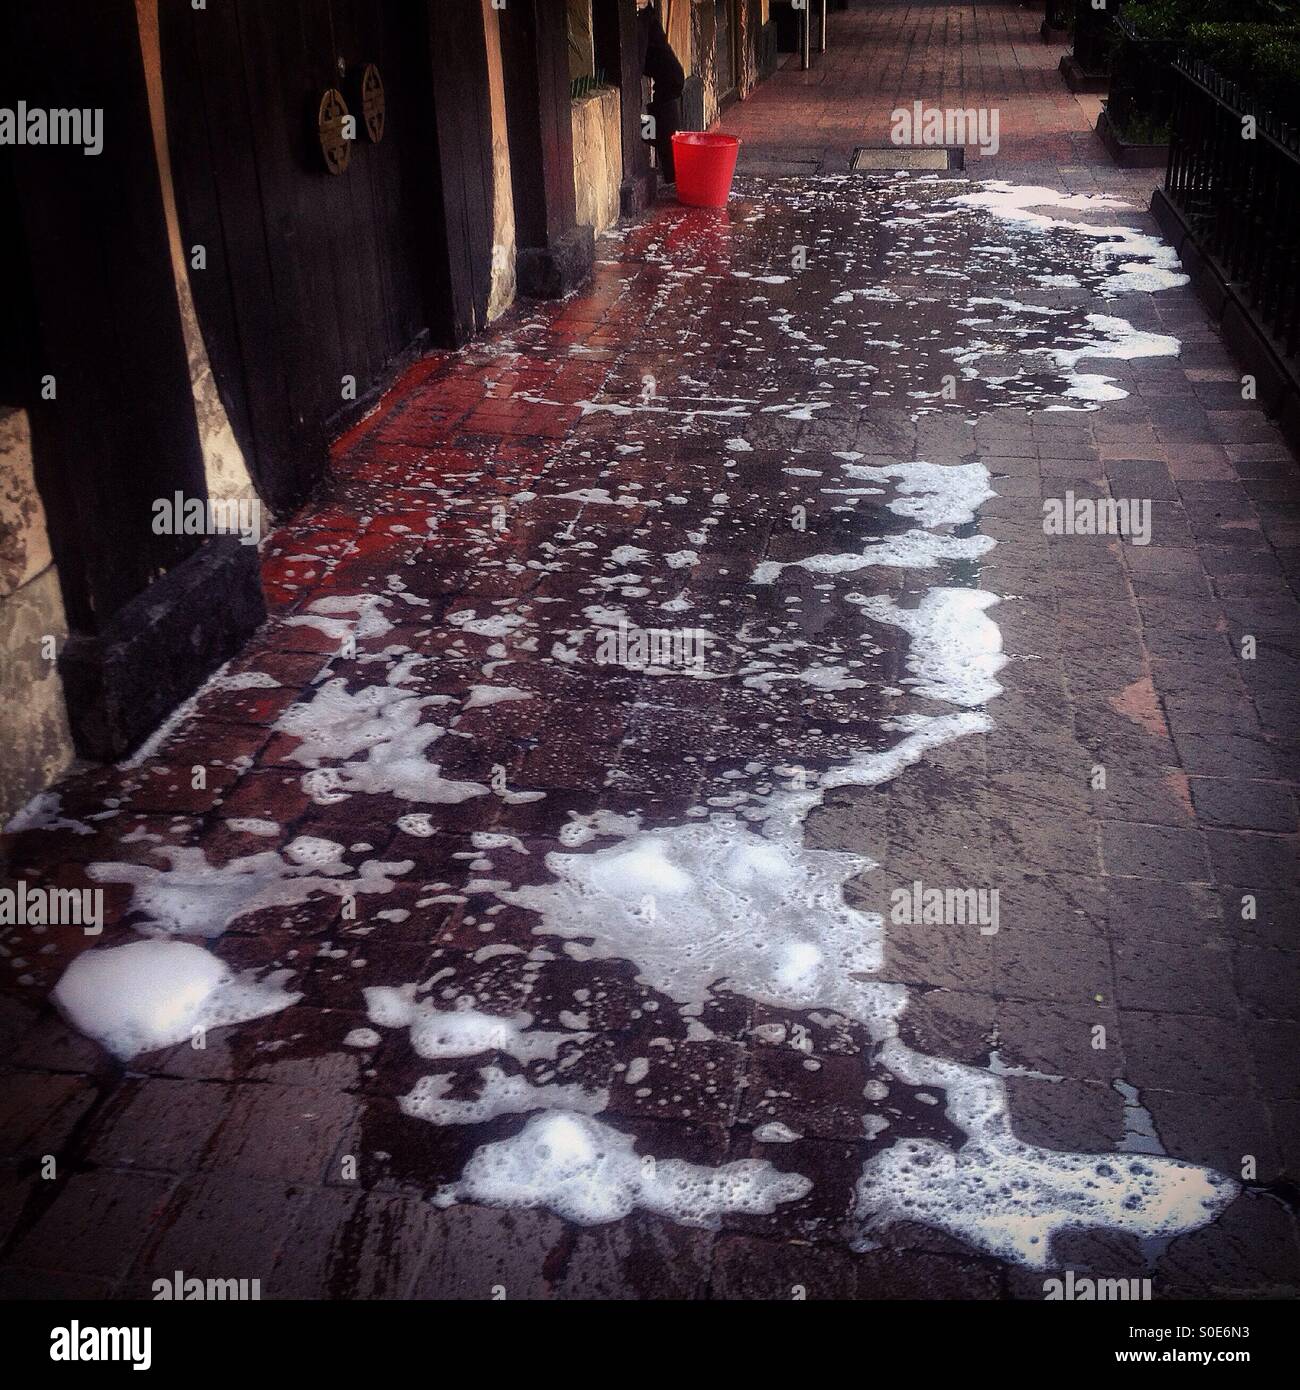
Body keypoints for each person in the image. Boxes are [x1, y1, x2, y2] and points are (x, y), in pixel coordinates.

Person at [636, 0, 685, 186]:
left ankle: (673, 168)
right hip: (626, 15)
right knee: (631, 79)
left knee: (672, 76)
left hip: (645, 11)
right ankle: (646, 133)